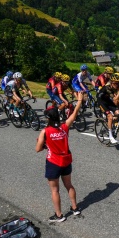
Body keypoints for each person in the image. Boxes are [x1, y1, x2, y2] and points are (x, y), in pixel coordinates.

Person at [35, 94, 84, 222]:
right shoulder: (64, 127)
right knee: (69, 185)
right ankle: (75, 208)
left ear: (48, 118)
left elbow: (38, 149)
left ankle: (59, 215)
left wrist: (46, 145)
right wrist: (79, 100)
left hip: (53, 162)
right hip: (66, 161)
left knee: (55, 190)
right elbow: (74, 114)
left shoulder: (45, 131)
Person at [96, 73, 119, 144]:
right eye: (115, 83)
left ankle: (109, 124)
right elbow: (115, 99)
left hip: (107, 100)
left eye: (118, 83)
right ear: (111, 83)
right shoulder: (107, 88)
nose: (117, 85)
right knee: (110, 117)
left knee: (118, 113)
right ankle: (110, 136)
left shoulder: (118, 85)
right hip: (101, 101)